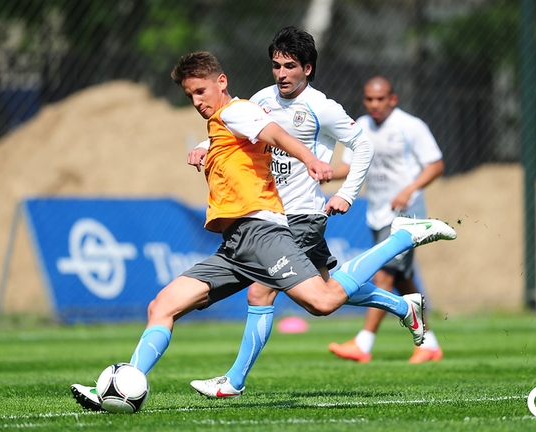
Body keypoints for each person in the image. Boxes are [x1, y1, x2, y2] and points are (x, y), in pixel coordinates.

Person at [71, 51, 456, 412]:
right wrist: (206, 145)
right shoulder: (226, 120)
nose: (196, 101)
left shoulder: (238, 110)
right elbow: (245, 133)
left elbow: (272, 132)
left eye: (201, 91)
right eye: (190, 96)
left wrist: (309, 159)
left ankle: (402, 236)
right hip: (235, 245)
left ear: (221, 82)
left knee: (320, 301)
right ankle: (122, 384)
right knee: (162, 306)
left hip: (263, 233)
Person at [188, 25, 374, 398]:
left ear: (307, 68)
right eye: (276, 66)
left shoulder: (322, 107)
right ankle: (403, 306)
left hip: (304, 215)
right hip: (272, 216)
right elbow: (234, 129)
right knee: (325, 291)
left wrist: (347, 194)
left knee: (260, 293)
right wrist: (205, 145)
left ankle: (234, 381)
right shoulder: (262, 98)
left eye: (290, 66)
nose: (281, 74)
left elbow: (363, 144)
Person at [328, 76, 445, 364]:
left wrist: (409, 189)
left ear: (393, 99)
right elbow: (349, 165)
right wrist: (323, 173)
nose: (374, 104)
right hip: (378, 213)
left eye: (380, 99)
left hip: (406, 216)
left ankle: (363, 343)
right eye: (369, 99)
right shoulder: (362, 126)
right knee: (403, 279)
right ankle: (429, 343)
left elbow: (435, 164)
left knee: (384, 275)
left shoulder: (411, 126)